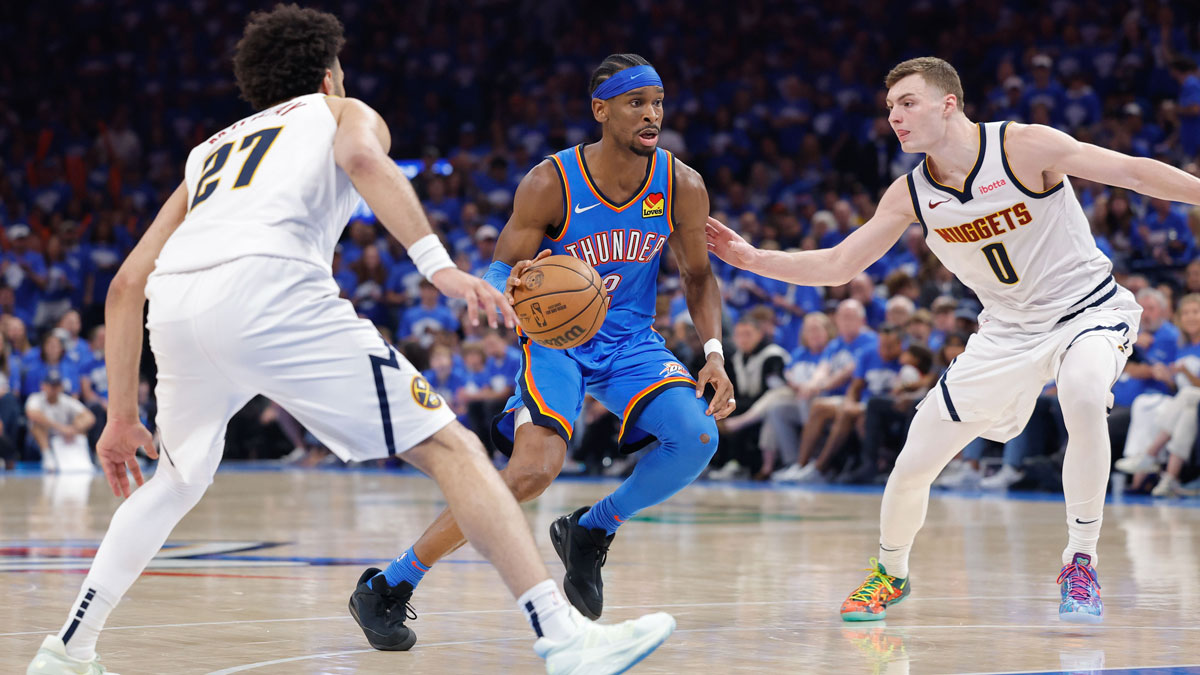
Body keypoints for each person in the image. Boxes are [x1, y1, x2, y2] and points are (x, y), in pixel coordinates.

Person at [26, 8, 674, 674]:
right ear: (330, 73)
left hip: (179, 309)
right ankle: (566, 638)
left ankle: (67, 651)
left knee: (172, 479)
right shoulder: (338, 112)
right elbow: (365, 158)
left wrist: (121, 415)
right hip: (270, 291)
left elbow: (127, 283)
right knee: (456, 449)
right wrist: (440, 268)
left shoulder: (209, 151)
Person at [707, 56, 1200, 624]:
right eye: (890, 107)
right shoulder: (910, 194)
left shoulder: (1024, 147)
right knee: (913, 463)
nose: (894, 116)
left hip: (1086, 309)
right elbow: (840, 264)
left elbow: (1133, 171)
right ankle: (890, 572)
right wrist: (749, 258)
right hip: (1004, 334)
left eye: (907, 103)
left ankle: (1080, 562)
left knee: (1084, 394)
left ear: (949, 103)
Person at [351, 53, 733, 649]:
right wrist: (510, 286)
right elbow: (502, 265)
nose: (651, 114)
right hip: (556, 341)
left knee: (698, 436)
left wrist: (713, 352)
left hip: (631, 341)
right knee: (531, 471)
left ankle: (591, 529)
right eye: (637, 103)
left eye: (658, 102)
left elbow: (699, 276)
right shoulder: (550, 182)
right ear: (600, 110)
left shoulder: (682, 184)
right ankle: (389, 584)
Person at [26, 369, 96, 472]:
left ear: (61, 386)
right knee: (37, 424)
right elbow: (32, 414)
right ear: (43, 386)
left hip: (64, 438)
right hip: (41, 440)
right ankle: (47, 455)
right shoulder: (35, 398)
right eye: (51, 385)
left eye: (57, 385)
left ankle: (83, 458)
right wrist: (61, 428)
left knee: (79, 419)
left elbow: (90, 417)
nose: (54, 389)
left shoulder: (66, 400)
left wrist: (74, 429)